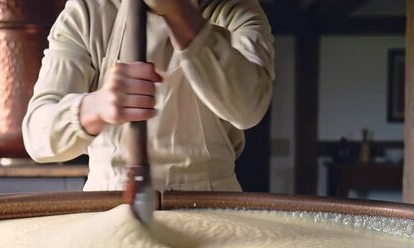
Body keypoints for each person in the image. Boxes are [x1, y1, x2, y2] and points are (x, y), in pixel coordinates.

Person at [22, 0, 274, 191]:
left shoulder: (237, 12)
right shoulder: (89, 12)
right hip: (109, 203)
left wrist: (178, 12)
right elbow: (38, 137)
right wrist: (95, 107)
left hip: (212, 203)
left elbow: (248, 108)